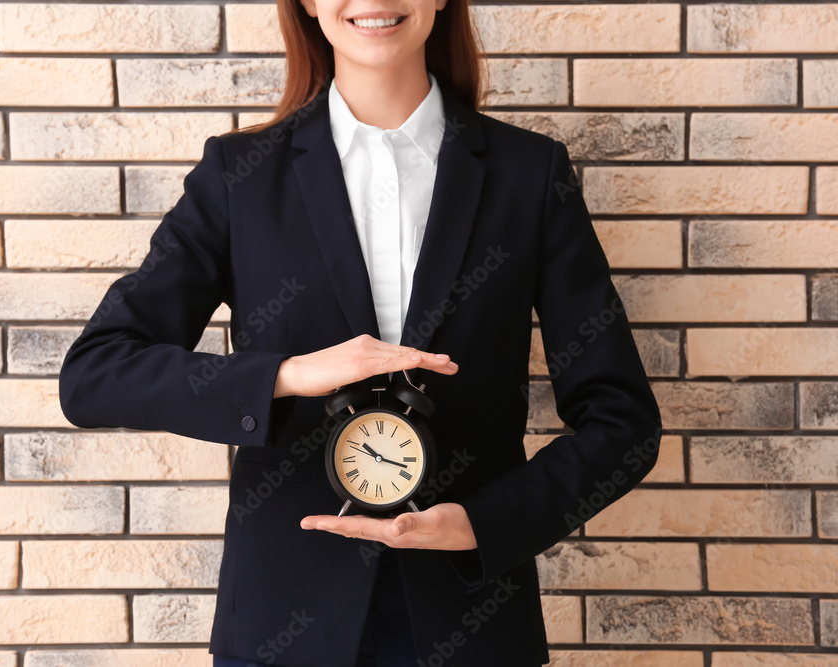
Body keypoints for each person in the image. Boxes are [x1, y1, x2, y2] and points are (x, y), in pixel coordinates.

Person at [58, 0, 663, 661]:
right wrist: (287, 374)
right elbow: (96, 373)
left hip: (472, 619)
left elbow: (622, 422)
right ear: (309, 4)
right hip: (283, 625)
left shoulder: (530, 173)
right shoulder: (240, 176)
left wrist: (481, 524)